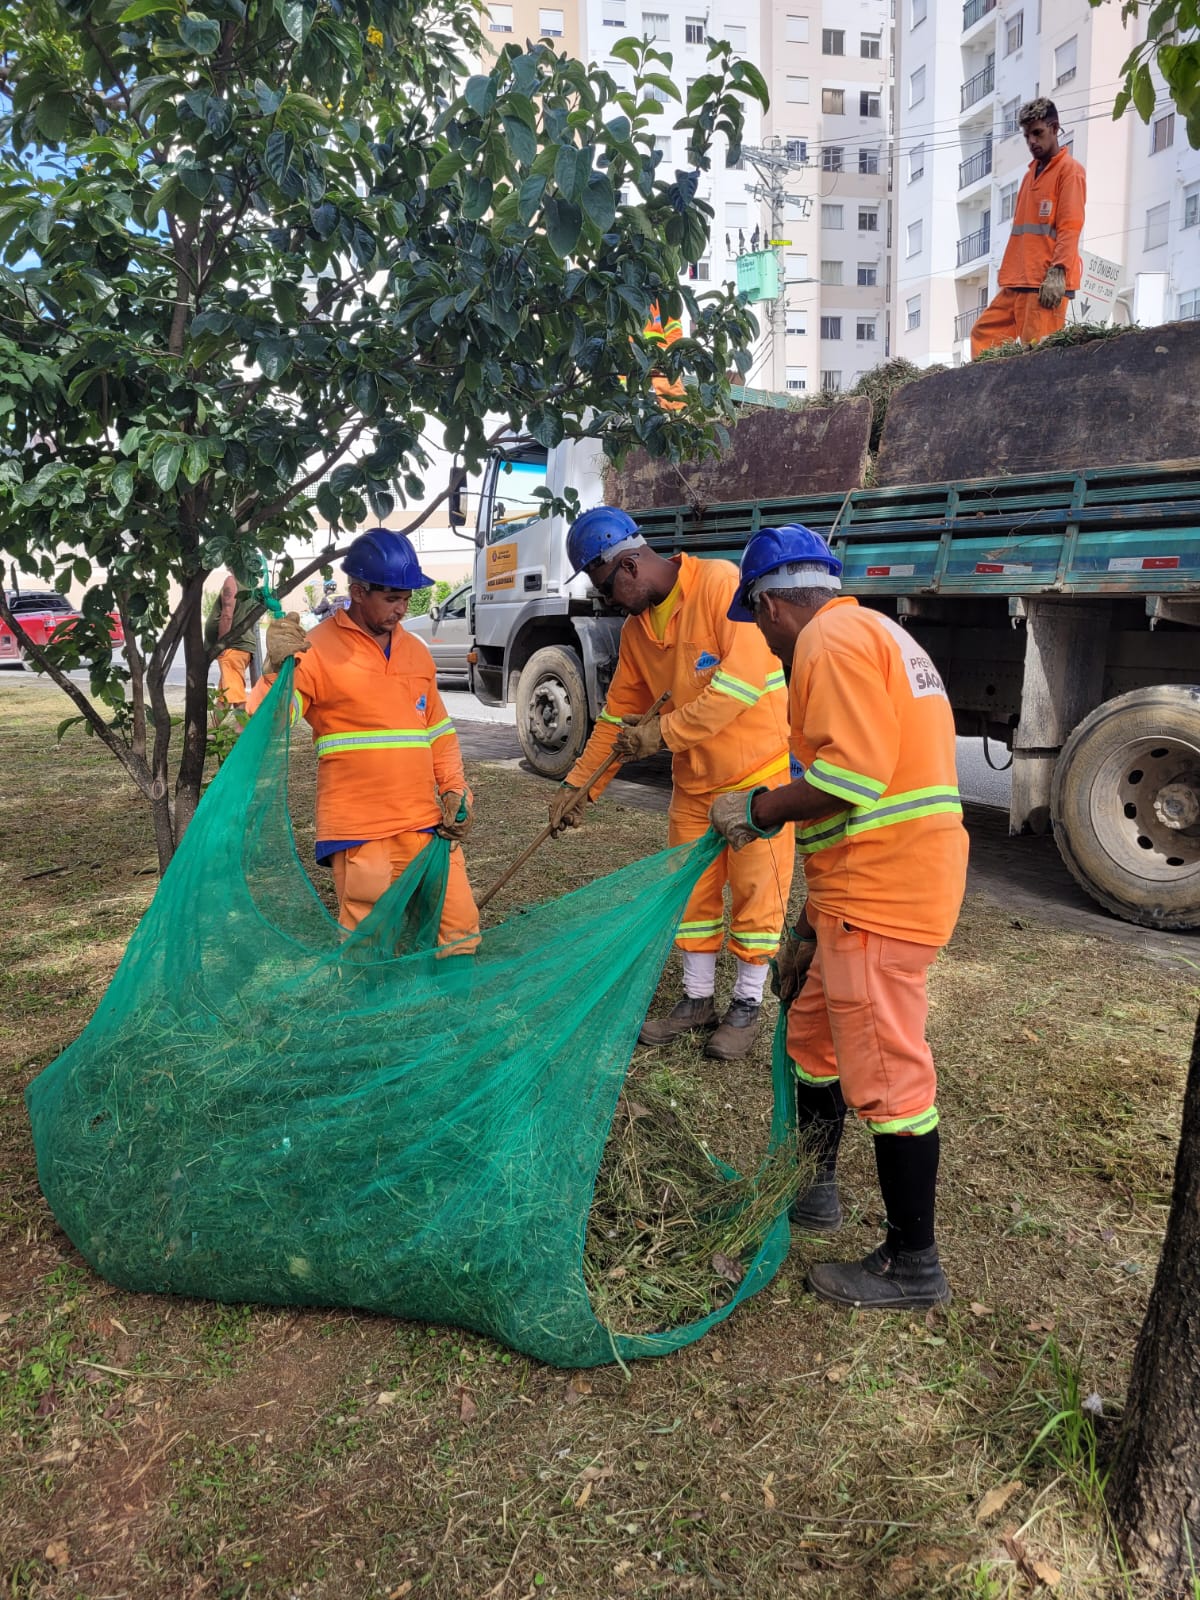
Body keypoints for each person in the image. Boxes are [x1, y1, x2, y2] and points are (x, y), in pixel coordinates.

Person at [708, 525, 968, 1310]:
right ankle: (813, 1188)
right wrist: (806, 931)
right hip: (858, 890)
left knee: (889, 1075)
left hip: (883, 894)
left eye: (762, 626)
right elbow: (862, 799)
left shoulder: (827, 637)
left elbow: (848, 779)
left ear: (774, 603)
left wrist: (757, 809)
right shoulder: (873, 631)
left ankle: (912, 1263)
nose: (771, 645)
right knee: (813, 1039)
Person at [548, 507, 794, 1060]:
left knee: (757, 892)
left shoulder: (721, 586)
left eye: (607, 586)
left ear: (630, 565)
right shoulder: (638, 632)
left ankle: (747, 1006)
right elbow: (617, 719)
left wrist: (661, 735)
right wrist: (580, 788)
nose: (608, 599)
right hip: (695, 784)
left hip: (757, 779)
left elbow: (736, 690)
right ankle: (697, 999)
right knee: (692, 895)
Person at [248, 528, 479, 951]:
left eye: (407, 597)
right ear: (357, 591)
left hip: (426, 824)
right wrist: (273, 674)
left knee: (458, 927)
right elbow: (269, 725)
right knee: (369, 938)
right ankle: (369, 1014)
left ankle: (454, 1008)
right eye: (392, 597)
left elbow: (439, 732)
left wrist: (453, 789)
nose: (403, 607)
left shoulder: (416, 651)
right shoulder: (314, 650)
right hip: (360, 830)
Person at [970, 98, 1086, 360]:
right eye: (1027, 136)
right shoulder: (1029, 175)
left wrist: (1059, 272)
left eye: (1038, 133)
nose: (1032, 141)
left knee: (1036, 357)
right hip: (1018, 280)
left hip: (1044, 284)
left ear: (1054, 128)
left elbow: (1070, 226)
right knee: (983, 335)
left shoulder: (1070, 172)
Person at [205, 568, 258, 710]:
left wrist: (221, 644)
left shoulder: (232, 581)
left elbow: (227, 614)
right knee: (226, 696)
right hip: (239, 647)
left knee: (237, 697)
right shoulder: (250, 585)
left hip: (232, 646)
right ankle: (212, 732)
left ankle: (243, 730)